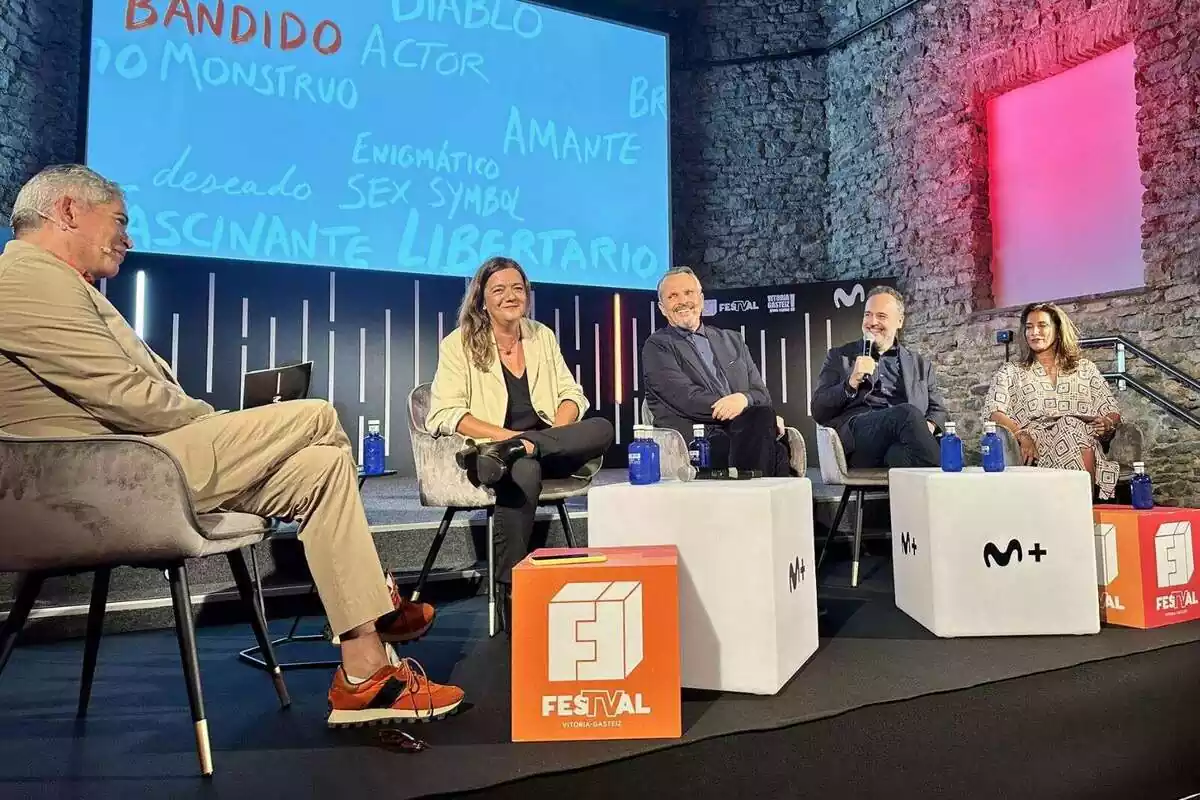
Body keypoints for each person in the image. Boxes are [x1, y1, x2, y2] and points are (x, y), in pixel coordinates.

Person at [0, 164, 463, 726]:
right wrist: (210, 421)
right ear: (69, 211)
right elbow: (122, 396)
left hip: (142, 466)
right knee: (317, 416)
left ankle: (362, 671)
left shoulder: (61, 284)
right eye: (119, 221)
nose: (129, 238)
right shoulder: (25, 278)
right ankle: (374, 600)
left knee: (320, 469)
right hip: (100, 481)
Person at [426, 256, 614, 633]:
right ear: (482, 299)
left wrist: (545, 437)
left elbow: (571, 394)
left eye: (517, 288)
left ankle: (530, 447)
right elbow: (446, 413)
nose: (511, 296)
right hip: (494, 452)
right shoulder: (458, 343)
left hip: (547, 446)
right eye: (499, 290)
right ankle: (513, 591)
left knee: (602, 427)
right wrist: (507, 439)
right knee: (523, 468)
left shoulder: (541, 335)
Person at [642, 266, 794, 476]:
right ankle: (749, 500)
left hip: (744, 430)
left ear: (701, 299)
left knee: (771, 436)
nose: (682, 301)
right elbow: (687, 398)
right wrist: (745, 411)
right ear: (662, 307)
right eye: (673, 296)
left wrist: (744, 400)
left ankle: (753, 501)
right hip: (699, 436)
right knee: (765, 433)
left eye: (688, 293)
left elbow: (761, 394)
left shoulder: (732, 340)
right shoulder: (657, 346)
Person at [985, 302, 1121, 498]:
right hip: (1035, 441)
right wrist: (1021, 434)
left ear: (1057, 330)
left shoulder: (1084, 369)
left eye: (1042, 325)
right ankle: (1083, 509)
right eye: (1029, 327)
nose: (1034, 332)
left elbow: (1110, 408)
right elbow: (994, 411)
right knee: (1071, 430)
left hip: (1082, 436)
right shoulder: (1011, 371)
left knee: (1071, 426)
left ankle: (1076, 507)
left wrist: (1107, 422)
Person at [812, 286, 947, 468]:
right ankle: (949, 489)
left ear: (899, 321)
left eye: (881, 316)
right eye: (867, 314)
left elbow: (938, 410)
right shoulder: (840, 356)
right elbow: (819, 410)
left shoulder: (920, 364)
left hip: (903, 439)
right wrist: (852, 382)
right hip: (860, 439)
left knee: (902, 455)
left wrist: (925, 427)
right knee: (906, 414)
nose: (872, 322)